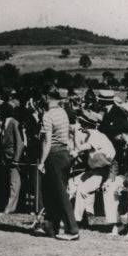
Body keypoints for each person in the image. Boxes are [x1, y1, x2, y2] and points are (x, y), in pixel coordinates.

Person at [38, 89, 80, 241]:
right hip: (64, 154)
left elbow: (47, 141)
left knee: (60, 193)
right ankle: (51, 227)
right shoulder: (63, 112)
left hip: (54, 155)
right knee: (51, 192)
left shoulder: (48, 115)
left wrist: (42, 161)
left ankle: (72, 229)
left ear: (46, 96)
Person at [0, 99, 25, 214]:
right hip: (6, 158)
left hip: (12, 158)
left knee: (15, 183)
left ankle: (10, 207)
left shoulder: (14, 123)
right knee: (10, 182)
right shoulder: (4, 123)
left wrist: (16, 159)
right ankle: (9, 205)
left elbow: (19, 143)